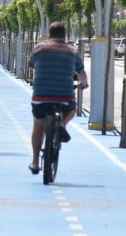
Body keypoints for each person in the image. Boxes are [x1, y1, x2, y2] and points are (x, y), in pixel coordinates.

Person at [27, 21, 88, 174]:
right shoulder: (72, 51)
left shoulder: (39, 48)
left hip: (40, 96)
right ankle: (62, 124)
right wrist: (83, 83)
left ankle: (35, 162)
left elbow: (31, 65)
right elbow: (81, 73)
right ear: (64, 35)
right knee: (72, 109)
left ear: (50, 34)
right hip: (64, 97)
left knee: (38, 125)